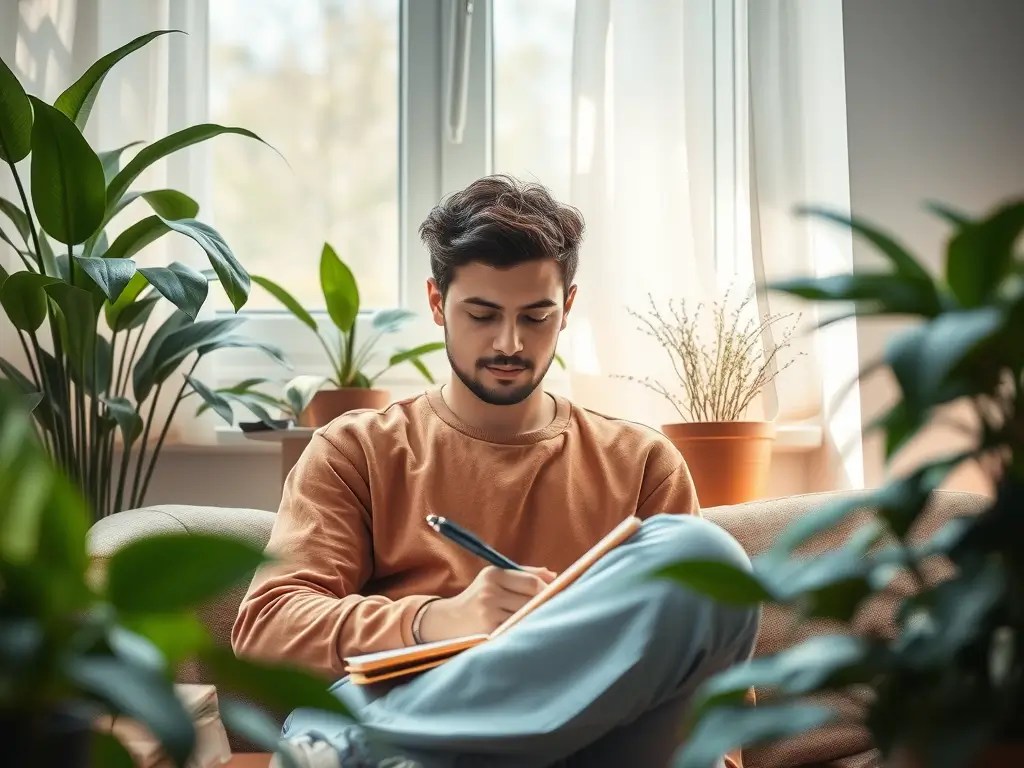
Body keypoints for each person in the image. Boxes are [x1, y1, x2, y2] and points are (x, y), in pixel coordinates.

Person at [231, 175, 760, 768]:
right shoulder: (357, 448)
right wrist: (437, 620)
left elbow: (709, 675)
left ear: (568, 309)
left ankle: (360, 751)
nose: (509, 343)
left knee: (707, 553)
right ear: (437, 303)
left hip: (581, 735)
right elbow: (268, 630)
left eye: (536, 317)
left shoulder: (641, 462)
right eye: (482, 314)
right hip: (411, 709)